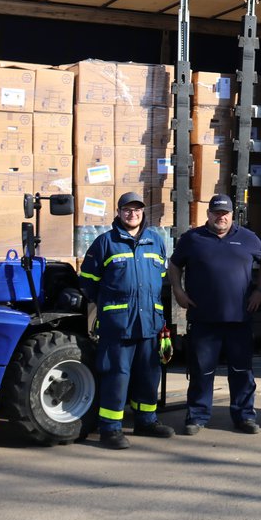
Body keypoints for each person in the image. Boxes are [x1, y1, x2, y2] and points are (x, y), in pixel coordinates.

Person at [168, 193, 261, 436]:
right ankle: (197, 415)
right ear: (208, 214)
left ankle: (244, 416)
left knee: (242, 371)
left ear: (232, 215)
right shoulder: (192, 239)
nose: (220, 217)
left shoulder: (248, 238)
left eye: (225, 213)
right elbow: (174, 265)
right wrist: (178, 291)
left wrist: (260, 290)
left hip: (239, 319)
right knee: (202, 371)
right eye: (216, 213)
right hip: (203, 318)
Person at [79, 190, 174, 449]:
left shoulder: (156, 241)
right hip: (118, 324)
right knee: (116, 375)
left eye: (137, 210)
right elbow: (88, 283)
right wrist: (109, 306)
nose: (132, 214)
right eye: (127, 210)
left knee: (149, 373)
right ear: (119, 213)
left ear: (143, 213)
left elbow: (161, 281)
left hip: (150, 323)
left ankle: (146, 420)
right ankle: (110, 429)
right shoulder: (105, 243)